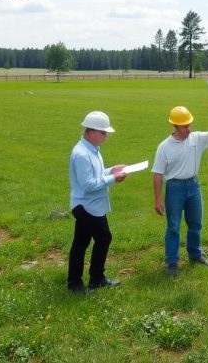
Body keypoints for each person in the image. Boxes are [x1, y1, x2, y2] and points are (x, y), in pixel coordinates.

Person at [152, 101, 208, 276]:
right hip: (174, 188)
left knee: (195, 223)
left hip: (193, 185)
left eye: (189, 124)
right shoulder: (164, 147)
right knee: (173, 227)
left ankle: (195, 254)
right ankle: (171, 262)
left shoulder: (196, 138)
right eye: (184, 126)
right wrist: (158, 198)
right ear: (174, 125)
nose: (188, 129)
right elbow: (157, 174)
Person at [67, 110, 128, 294]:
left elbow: (96, 175)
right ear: (91, 131)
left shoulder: (92, 150)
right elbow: (88, 184)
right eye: (103, 132)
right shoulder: (82, 154)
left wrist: (111, 170)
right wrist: (113, 178)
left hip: (91, 205)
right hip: (86, 206)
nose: (106, 136)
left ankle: (79, 281)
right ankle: (93, 279)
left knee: (82, 242)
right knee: (103, 238)